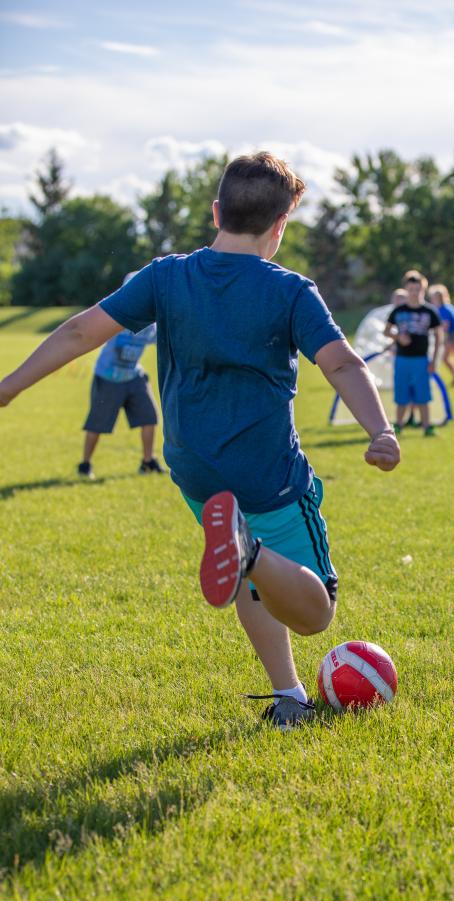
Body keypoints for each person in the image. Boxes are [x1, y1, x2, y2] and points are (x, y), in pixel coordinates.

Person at [0, 151, 400, 730]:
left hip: (195, 469)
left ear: (217, 211)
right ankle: (251, 550)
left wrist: (9, 387)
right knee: (315, 614)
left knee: (245, 574)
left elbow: (81, 330)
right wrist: (381, 430)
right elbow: (340, 363)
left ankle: (287, 693)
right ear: (280, 226)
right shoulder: (290, 291)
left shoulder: (164, 276)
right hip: (269, 476)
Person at [78, 275, 164, 480]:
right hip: (108, 378)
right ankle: (85, 464)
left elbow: (162, 336)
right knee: (97, 424)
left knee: (149, 417)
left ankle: (147, 461)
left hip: (134, 376)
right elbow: (92, 332)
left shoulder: (149, 325)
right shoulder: (116, 318)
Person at [384, 271, 442, 436]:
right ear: (406, 289)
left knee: (423, 395)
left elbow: (439, 336)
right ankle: (399, 426)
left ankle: (427, 427)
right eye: (411, 289)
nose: (414, 293)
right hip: (402, 359)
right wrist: (398, 337)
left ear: (423, 289)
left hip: (421, 360)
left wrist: (434, 360)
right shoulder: (399, 310)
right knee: (401, 394)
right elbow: (386, 331)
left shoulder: (429, 311)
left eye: (418, 289)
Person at [427, 283, 454, 386]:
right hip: (451, 336)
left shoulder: (445, 309)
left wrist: (434, 335)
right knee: (445, 358)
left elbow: (445, 327)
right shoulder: (440, 308)